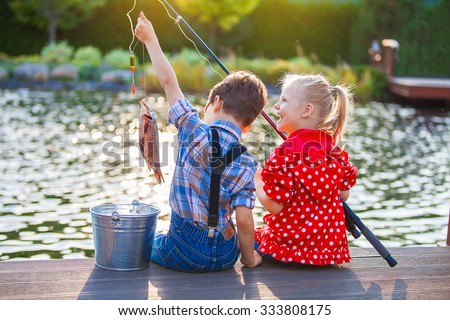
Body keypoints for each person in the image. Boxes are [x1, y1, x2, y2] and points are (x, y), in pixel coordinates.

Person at [135, 11, 266, 272]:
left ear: (215, 102)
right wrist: (249, 259)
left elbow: (168, 82)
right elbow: (244, 218)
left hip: (184, 249)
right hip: (227, 254)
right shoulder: (248, 162)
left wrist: (151, 41)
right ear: (249, 127)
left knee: (147, 244)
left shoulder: (194, 129)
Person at [254, 74, 358, 266]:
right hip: (327, 254)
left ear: (307, 110)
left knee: (247, 237)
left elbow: (274, 206)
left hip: (288, 250)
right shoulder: (334, 153)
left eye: (284, 100)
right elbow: (343, 195)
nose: (277, 106)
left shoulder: (285, 154)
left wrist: (257, 180)